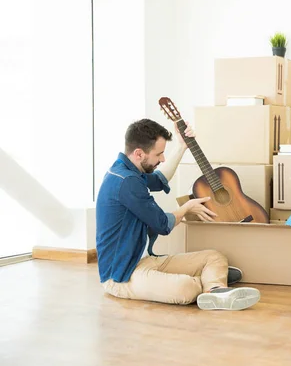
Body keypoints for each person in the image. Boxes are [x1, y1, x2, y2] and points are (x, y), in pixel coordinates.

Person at [96, 118, 260, 310]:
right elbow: (162, 223)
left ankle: (215, 289)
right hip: (122, 275)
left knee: (214, 257)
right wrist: (187, 207)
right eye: (159, 154)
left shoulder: (130, 171)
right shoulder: (126, 181)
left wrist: (182, 146)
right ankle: (209, 281)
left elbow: (159, 179)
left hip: (145, 261)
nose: (163, 159)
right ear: (139, 153)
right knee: (186, 287)